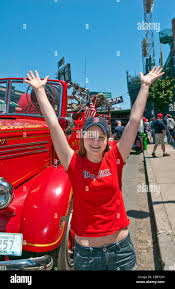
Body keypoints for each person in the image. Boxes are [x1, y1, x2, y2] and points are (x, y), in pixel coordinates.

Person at [24, 66, 164, 271]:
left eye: (101, 136)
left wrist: (144, 86)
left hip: (121, 252)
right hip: (87, 257)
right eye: (90, 135)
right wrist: (39, 91)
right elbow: (54, 126)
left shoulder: (116, 157)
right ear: (82, 138)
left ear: (108, 140)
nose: (95, 140)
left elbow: (134, 121)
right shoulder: (73, 163)